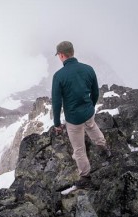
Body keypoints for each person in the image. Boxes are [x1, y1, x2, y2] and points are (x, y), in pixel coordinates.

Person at [52, 41, 110, 189]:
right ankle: (103, 147)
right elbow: (95, 92)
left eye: (58, 54)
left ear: (62, 55)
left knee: (78, 149)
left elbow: (57, 103)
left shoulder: (59, 76)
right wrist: (90, 106)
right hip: (88, 111)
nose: (59, 57)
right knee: (91, 126)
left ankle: (85, 176)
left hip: (73, 119)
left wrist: (57, 124)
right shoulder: (88, 69)